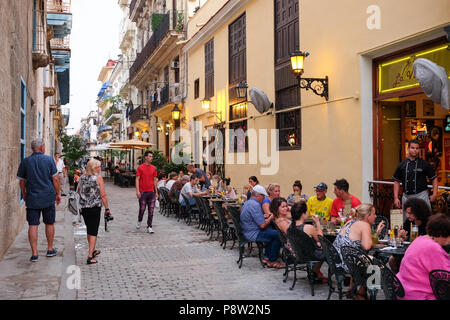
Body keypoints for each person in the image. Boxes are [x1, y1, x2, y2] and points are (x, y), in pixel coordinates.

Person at [17, 139, 61, 262]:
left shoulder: (26, 162)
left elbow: (21, 181)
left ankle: (35, 253)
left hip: (32, 198)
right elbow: (55, 179)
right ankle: (50, 249)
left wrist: (24, 194)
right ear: (42, 148)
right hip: (47, 197)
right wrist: (58, 194)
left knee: (33, 225)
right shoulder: (49, 160)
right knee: (49, 223)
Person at [333, 203, 385, 299]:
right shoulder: (365, 225)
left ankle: (354, 290)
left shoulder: (351, 221)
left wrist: (376, 232)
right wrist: (378, 241)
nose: (376, 216)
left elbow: (358, 243)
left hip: (337, 261)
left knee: (364, 259)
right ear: (368, 215)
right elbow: (366, 246)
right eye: (374, 214)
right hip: (348, 264)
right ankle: (364, 294)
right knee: (376, 264)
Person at [396, 213, 450, 300]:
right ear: (441, 234)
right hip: (419, 295)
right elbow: (445, 274)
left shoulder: (419, 239)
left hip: (404, 290)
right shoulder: (433, 247)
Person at [77, 159, 112, 265]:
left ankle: (93, 249)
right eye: (99, 167)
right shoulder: (98, 178)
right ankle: (90, 256)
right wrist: (107, 209)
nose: (100, 168)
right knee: (93, 231)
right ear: (94, 168)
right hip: (95, 207)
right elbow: (103, 195)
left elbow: (78, 191)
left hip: (84, 208)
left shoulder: (82, 177)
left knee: (89, 229)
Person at [240, 185, 284, 269]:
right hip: (253, 233)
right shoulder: (255, 205)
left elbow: (253, 217)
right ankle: (273, 260)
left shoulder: (249, 202)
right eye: (263, 195)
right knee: (278, 235)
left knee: (271, 232)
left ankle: (267, 258)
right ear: (258, 195)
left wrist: (263, 216)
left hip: (248, 230)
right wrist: (271, 217)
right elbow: (262, 225)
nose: (264, 198)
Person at [393, 139, 437, 217]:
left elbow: (434, 178)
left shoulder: (424, 164)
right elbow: (396, 181)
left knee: (425, 220)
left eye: (417, 148)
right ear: (408, 148)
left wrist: (434, 194)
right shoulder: (401, 165)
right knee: (406, 221)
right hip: (406, 197)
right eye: (412, 148)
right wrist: (396, 198)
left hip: (421, 196)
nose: (415, 150)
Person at [388, 197, 431, 273]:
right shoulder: (409, 222)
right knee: (392, 260)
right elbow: (404, 235)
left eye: (410, 213)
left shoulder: (428, 223)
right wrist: (402, 236)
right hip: (409, 252)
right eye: (406, 212)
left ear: (418, 212)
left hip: (423, 254)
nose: (407, 215)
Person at [289, 201, 327, 283]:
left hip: (298, 254)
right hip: (310, 255)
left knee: (319, 245)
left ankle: (315, 271)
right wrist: (317, 222)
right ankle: (316, 271)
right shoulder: (308, 228)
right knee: (327, 249)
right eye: (306, 211)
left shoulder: (290, 227)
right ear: (303, 214)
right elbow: (321, 238)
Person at [135, 151, 159, 233]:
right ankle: (139, 220)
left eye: (152, 156)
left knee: (151, 210)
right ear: (145, 157)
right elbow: (137, 179)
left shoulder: (154, 168)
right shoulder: (140, 168)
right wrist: (137, 191)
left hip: (151, 192)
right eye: (150, 156)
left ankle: (149, 226)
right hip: (142, 192)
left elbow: (155, 180)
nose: (151, 158)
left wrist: (156, 191)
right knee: (142, 209)